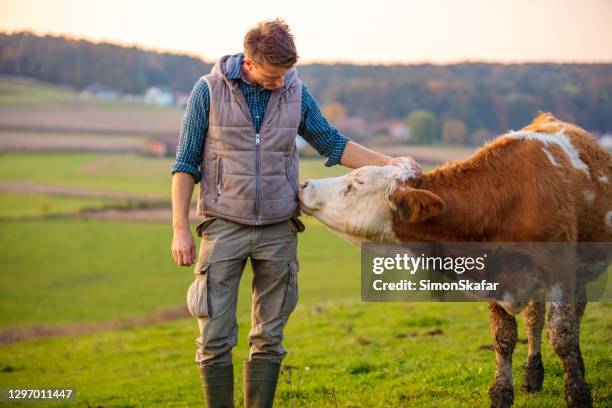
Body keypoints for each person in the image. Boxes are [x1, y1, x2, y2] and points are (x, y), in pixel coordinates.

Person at [170, 18, 421, 408]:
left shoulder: (295, 91)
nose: (281, 83)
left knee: (269, 337)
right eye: (274, 76)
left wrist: (390, 162)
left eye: (287, 74)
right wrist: (180, 230)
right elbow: (186, 164)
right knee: (215, 336)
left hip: (278, 229)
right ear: (250, 63)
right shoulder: (208, 91)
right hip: (223, 227)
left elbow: (332, 143)